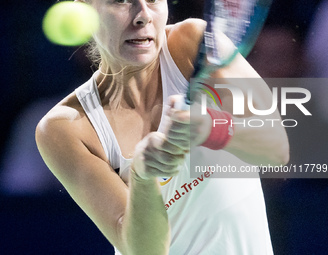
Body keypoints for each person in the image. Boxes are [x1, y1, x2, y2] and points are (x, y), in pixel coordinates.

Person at [35, 0, 289, 254]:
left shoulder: (194, 42)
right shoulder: (65, 128)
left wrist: (210, 128)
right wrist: (142, 177)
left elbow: (277, 150)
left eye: (154, 0)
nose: (143, 16)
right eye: (122, 1)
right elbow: (144, 250)